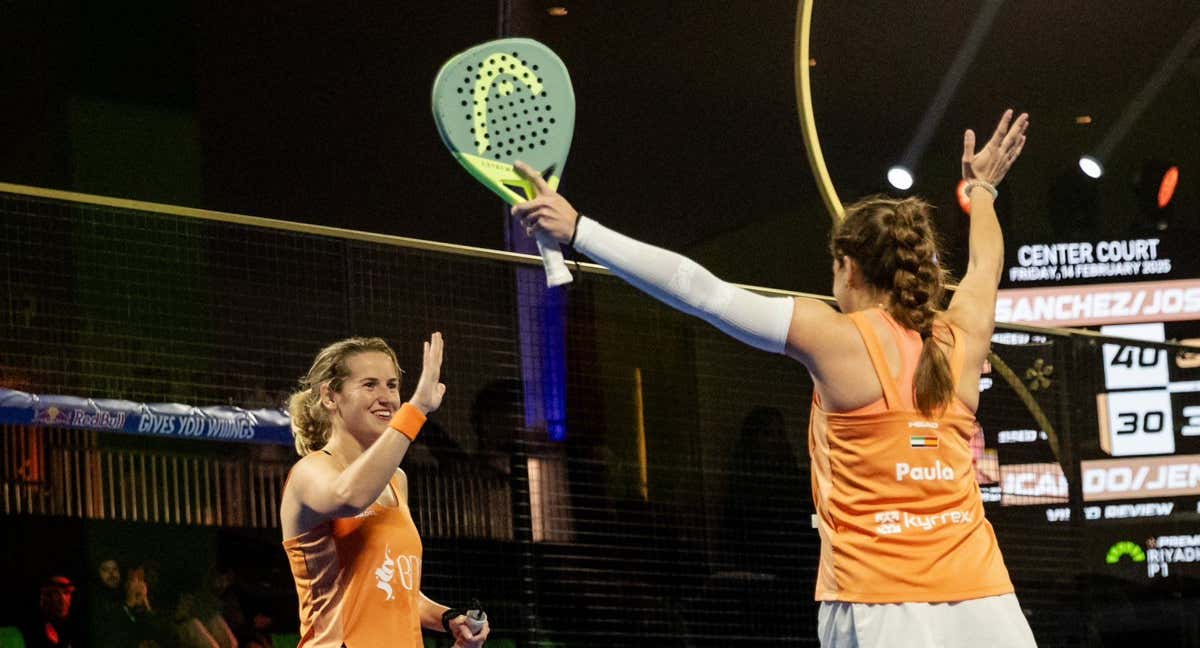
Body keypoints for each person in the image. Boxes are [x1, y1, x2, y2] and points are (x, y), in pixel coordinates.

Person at [512, 110, 1034, 647]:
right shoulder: (961, 337)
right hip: (988, 605)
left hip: (880, 606)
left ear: (847, 267)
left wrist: (580, 231)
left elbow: (702, 292)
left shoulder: (834, 337)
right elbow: (985, 266)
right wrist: (983, 189)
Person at [279, 335, 490, 648]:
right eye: (369, 385)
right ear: (330, 396)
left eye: (392, 385)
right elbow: (350, 497)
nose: (387, 397)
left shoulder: (396, 480)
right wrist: (416, 409)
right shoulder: (309, 473)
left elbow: (394, 590)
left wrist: (446, 618)